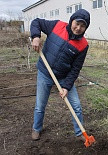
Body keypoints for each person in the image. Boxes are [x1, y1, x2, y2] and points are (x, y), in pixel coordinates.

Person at [30, 9, 90, 142]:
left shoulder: (83, 45)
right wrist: (35, 37)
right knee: (40, 105)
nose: (78, 28)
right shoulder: (57, 26)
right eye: (77, 23)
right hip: (45, 73)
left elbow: (75, 69)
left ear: (86, 27)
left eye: (83, 26)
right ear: (71, 21)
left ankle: (80, 132)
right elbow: (36, 22)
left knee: (76, 106)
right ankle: (37, 128)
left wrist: (67, 87)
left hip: (63, 77)